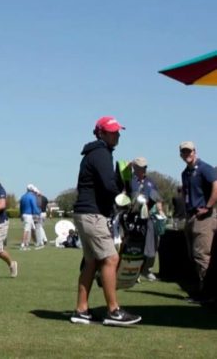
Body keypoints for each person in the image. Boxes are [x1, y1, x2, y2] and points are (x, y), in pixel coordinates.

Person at [71, 116, 141, 326]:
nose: (117, 134)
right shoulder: (101, 153)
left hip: (87, 213)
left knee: (92, 262)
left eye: (117, 131)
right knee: (110, 259)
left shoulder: (98, 152)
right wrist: (124, 193)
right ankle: (113, 311)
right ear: (101, 132)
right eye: (112, 131)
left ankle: (81, 310)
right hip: (92, 214)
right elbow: (108, 186)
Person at [179, 141, 217, 301]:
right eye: (184, 152)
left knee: (202, 254)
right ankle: (202, 290)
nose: (187, 154)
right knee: (194, 255)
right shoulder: (185, 173)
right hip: (191, 216)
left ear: (195, 151)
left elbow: (216, 187)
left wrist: (208, 207)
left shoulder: (205, 168)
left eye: (189, 151)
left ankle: (207, 293)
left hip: (204, 217)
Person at [129, 157, 164, 282]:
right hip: (131, 218)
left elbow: (158, 199)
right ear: (134, 167)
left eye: (145, 167)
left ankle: (146, 269)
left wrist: (161, 212)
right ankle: (133, 271)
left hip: (148, 217)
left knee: (152, 243)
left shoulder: (150, 182)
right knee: (133, 245)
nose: (143, 169)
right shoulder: (129, 179)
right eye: (140, 167)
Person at [19, 184, 41, 251]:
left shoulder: (23, 196)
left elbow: (21, 207)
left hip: (24, 214)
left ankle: (36, 243)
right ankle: (23, 244)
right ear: (31, 190)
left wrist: (21, 215)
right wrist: (38, 212)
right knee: (26, 230)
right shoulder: (32, 197)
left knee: (33, 228)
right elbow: (34, 206)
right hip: (29, 215)